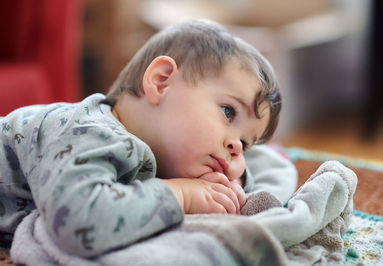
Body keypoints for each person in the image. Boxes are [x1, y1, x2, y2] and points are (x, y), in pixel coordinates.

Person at [0, 19, 295, 258]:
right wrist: (181, 195)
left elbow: (230, 187)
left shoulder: (163, 150)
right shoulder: (88, 133)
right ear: (161, 81)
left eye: (245, 144)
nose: (235, 148)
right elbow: (78, 221)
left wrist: (234, 186)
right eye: (228, 112)